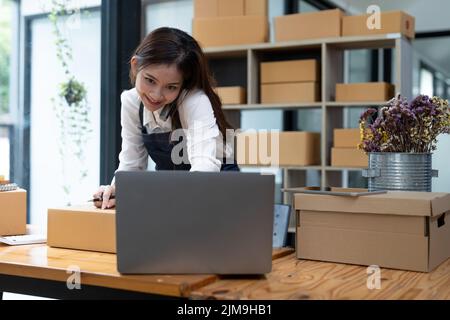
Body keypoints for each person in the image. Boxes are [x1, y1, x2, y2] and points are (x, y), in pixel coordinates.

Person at [93, 27, 239, 209]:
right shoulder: (131, 101)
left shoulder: (194, 101)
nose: (156, 94)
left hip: (217, 191)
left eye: (171, 87)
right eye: (150, 80)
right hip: (174, 194)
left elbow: (204, 168)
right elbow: (132, 164)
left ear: (182, 84)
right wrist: (117, 189)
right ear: (135, 65)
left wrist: (166, 199)